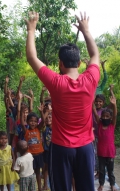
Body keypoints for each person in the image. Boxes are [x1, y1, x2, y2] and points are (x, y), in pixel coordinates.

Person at [25, 11, 100, 191]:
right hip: (85, 148)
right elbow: (95, 54)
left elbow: (32, 58)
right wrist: (86, 30)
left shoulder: (56, 82)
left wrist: (31, 29)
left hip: (61, 148)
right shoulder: (90, 79)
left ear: (60, 63)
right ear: (80, 63)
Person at [93, 96, 117, 191]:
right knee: (101, 170)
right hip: (101, 152)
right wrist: (91, 102)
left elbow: (115, 115)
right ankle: (101, 184)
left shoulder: (112, 125)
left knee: (110, 170)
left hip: (110, 152)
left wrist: (114, 105)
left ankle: (112, 184)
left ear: (110, 118)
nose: (105, 118)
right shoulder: (99, 124)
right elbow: (95, 112)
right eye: (103, 116)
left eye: (107, 116)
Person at [21, 102, 46, 191]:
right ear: (27, 122)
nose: (33, 123)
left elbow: (43, 121)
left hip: (39, 155)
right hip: (29, 157)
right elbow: (21, 121)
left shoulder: (38, 129)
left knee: (38, 173)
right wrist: (21, 111)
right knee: (29, 174)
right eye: (31, 121)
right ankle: (30, 188)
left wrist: (42, 112)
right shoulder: (26, 131)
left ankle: (39, 188)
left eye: (35, 121)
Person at [42, 104, 52, 190]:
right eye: (46, 118)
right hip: (46, 150)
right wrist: (48, 111)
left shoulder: (55, 127)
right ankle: (45, 185)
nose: (48, 119)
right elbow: (42, 121)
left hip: (55, 151)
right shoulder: (44, 128)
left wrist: (51, 111)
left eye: (50, 117)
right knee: (46, 168)